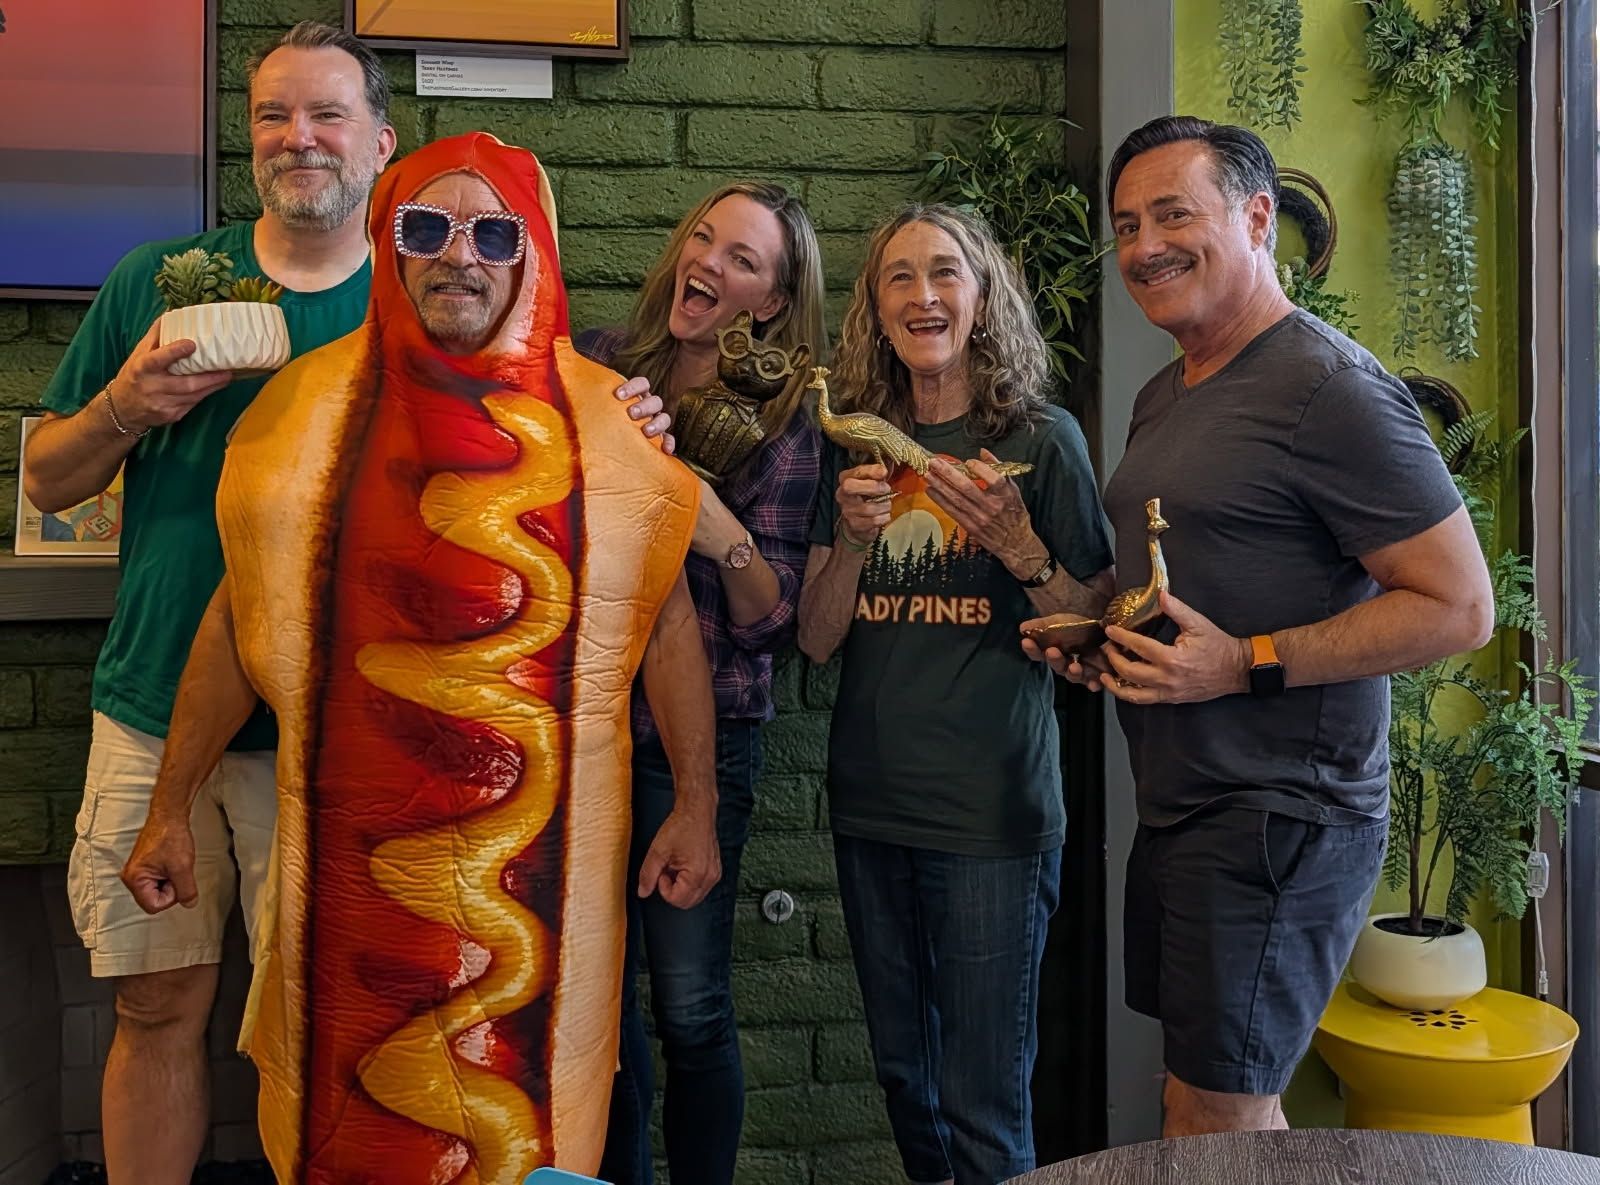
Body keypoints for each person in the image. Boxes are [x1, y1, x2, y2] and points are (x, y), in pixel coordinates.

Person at [20, 22, 667, 1185]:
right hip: (155, 699)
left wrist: (636, 428)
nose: (298, 137)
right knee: (154, 1003)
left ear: (379, 143)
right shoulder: (160, 281)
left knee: (330, 1035)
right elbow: (48, 480)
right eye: (273, 114)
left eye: (327, 114)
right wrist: (127, 404)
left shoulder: (430, 291)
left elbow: (571, 454)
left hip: (344, 754)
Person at [1022, 115, 1494, 1137]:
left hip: (1280, 815)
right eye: (1127, 224)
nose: (1145, 245)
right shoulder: (1168, 391)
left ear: (1256, 218)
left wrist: (1244, 663)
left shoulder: (1330, 389)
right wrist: (1100, 634)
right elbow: (1184, 582)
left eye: (1173, 214)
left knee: (1215, 1114)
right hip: (1186, 803)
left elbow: (1460, 606)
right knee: (1211, 1102)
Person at [796, 203, 1114, 1185]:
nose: (922, 294)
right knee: (908, 1085)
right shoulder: (858, 445)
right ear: (875, 307)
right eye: (898, 276)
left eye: (944, 272)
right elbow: (816, 638)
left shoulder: (1042, 440)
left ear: (982, 297)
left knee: (982, 1105)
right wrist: (853, 542)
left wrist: (1018, 543)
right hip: (872, 809)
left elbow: (1093, 635)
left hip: (991, 820)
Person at [575, 182, 826, 1185]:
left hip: (702, 743)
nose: (710, 264)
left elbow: (773, 621)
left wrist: (713, 525)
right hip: (585, 732)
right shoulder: (600, 367)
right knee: (595, 1010)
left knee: (689, 1008)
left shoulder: (786, 423)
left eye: (743, 260)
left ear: (771, 302)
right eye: (705, 240)